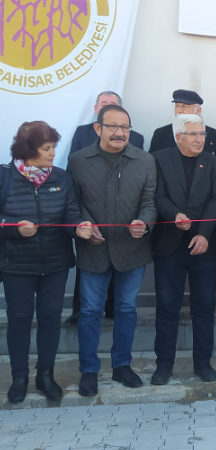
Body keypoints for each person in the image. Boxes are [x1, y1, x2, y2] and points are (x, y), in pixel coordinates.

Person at [67, 105, 157, 397]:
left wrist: (144, 222)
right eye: (113, 126)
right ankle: (89, 371)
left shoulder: (144, 161)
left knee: (127, 309)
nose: (120, 132)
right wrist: (84, 224)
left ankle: (122, 365)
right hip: (94, 248)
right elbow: (73, 202)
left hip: (132, 249)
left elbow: (150, 201)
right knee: (90, 311)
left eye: (125, 127)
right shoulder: (79, 161)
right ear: (98, 128)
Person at [0, 122, 93, 403]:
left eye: (53, 147)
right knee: (19, 319)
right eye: (47, 148)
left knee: (51, 319)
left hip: (55, 263)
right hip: (16, 264)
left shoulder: (62, 178)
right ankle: (19, 378)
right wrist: (14, 228)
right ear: (28, 150)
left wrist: (79, 227)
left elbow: (71, 213)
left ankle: (45, 375)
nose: (53, 153)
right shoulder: (4, 177)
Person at [150, 114, 216, 385]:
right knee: (167, 307)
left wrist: (204, 234)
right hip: (169, 244)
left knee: (204, 308)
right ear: (178, 137)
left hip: (204, 247)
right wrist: (175, 215)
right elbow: (156, 195)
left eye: (202, 134)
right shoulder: (159, 159)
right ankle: (163, 366)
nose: (199, 139)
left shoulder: (214, 162)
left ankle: (203, 364)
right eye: (193, 134)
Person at [67, 90, 144, 324]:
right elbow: (75, 178)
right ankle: (79, 310)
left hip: (122, 217)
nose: (106, 106)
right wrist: (86, 219)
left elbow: (139, 179)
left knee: (121, 277)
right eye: (103, 104)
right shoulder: (82, 133)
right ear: (96, 111)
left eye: (112, 104)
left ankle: (111, 309)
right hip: (91, 213)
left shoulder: (137, 138)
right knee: (89, 269)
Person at [149, 89, 216, 162]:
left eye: (184, 106)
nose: (179, 110)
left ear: (198, 110)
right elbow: (151, 164)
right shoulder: (161, 134)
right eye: (177, 106)